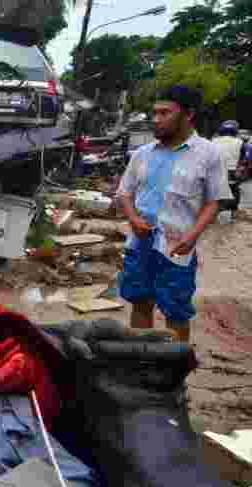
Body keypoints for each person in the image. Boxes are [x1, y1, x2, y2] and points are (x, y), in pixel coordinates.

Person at [116, 85, 232, 343]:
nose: (156, 119)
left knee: (176, 313)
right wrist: (134, 219)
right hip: (139, 246)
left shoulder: (209, 154)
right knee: (140, 303)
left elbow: (215, 201)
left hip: (177, 250)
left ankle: (173, 371)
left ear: (188, 115)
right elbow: (125, 192)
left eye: (164, 113)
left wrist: (192, 237)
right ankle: (141, 363)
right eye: (154, 113)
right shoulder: (142, 154)